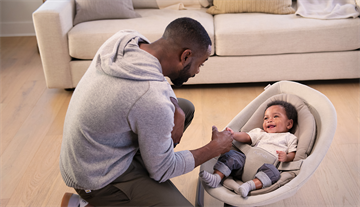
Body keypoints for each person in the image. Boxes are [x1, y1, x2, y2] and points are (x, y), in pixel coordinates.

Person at [59, 17, 234, 207]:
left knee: (185, 108)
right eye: (200, 63)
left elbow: (153, 85)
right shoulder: (151, 99)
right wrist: (214, 147)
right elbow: (164, 170)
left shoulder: (126, 39)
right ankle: (87, 203)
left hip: (90, 154)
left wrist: (175, 107)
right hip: (96, 177)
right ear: (185, 56)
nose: (198, 71)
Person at [200, 100, 298, 198]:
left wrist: (286, 157)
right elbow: (246, 137)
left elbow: (293, 154)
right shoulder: (261, 133)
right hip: (244, 165)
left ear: (289, 124)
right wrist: (233, 134)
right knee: (232, 154)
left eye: (275, 116)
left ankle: (248, 186)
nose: (269, 120)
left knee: (274, 173)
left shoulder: (290, 137)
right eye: (266, 118)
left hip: (265, 170)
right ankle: (216, 177)